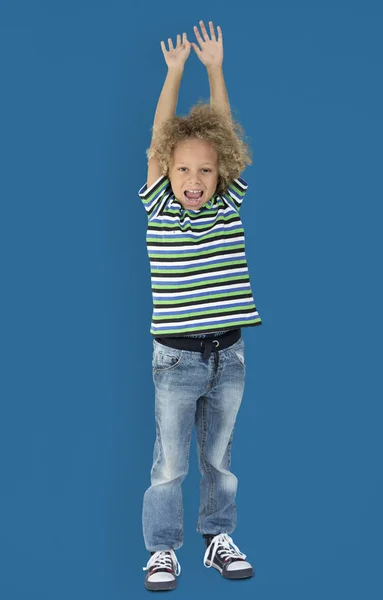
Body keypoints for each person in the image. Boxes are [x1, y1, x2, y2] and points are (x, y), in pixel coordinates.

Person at [138, 20, 262, 591]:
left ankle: (217, 538)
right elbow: (164, 133)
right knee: (170, 465)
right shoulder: (160, 209)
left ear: (220, 173)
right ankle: (163, 550)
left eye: (205, 170)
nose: (194, 178)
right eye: (183, 168)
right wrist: (178, 70)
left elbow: (225, 133)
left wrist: (217, 70)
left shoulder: (228, 206)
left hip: (229, 355)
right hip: (176, 360)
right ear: (166, 170)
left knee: (219, 461)